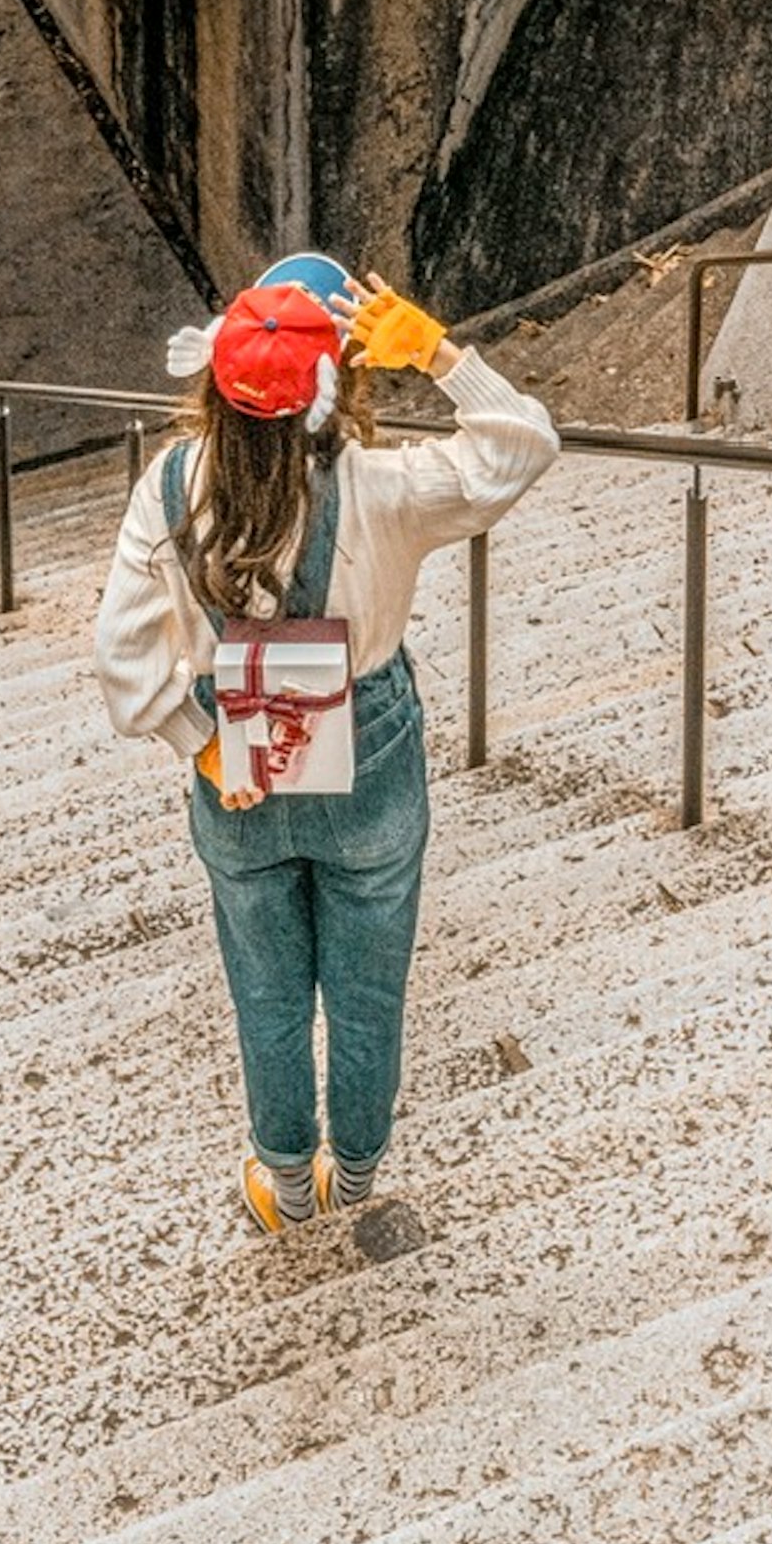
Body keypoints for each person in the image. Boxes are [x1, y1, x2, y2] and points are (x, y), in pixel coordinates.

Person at [92, 252, 556, 1244]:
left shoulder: (170, 488)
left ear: (214, 386)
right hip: (370, 741)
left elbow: (123, 662)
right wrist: (434, 351)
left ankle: (286, 1186)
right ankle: (357, 1176)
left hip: (242, 755)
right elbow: (523, 444)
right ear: (333, 389)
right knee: (366, 988)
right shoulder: (389, 487)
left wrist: (207, 746)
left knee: (265, 989)